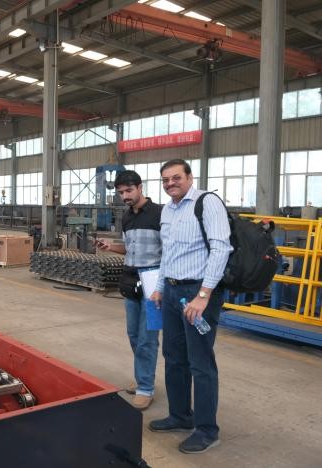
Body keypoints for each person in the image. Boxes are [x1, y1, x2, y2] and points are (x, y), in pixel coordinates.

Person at [148, 159, 232, 454]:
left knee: (200, 362)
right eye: (165, 180)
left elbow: (221, 248)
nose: (170, 183)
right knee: (173, 356)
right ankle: (181, 415)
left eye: (176, 177)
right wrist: (160, 288)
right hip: (172, 292)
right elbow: (168, 253)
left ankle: (207, 430)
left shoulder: (207, 203)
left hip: (198, 292)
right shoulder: (167, 210)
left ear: (189, 177)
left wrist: (204, 294)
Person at [96, 170, 161, 410]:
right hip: (130, 281)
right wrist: (111, 246)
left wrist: (162, 286)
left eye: (129, 190)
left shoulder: (160, 214)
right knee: (134, 335)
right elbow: (129, 248)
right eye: (121, 192)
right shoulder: (126, 217)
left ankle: (146, 387)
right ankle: (144, 377)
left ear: (140, 187)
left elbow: (170, 251)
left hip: (153, 283)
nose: (125, 196)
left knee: (147, 339)